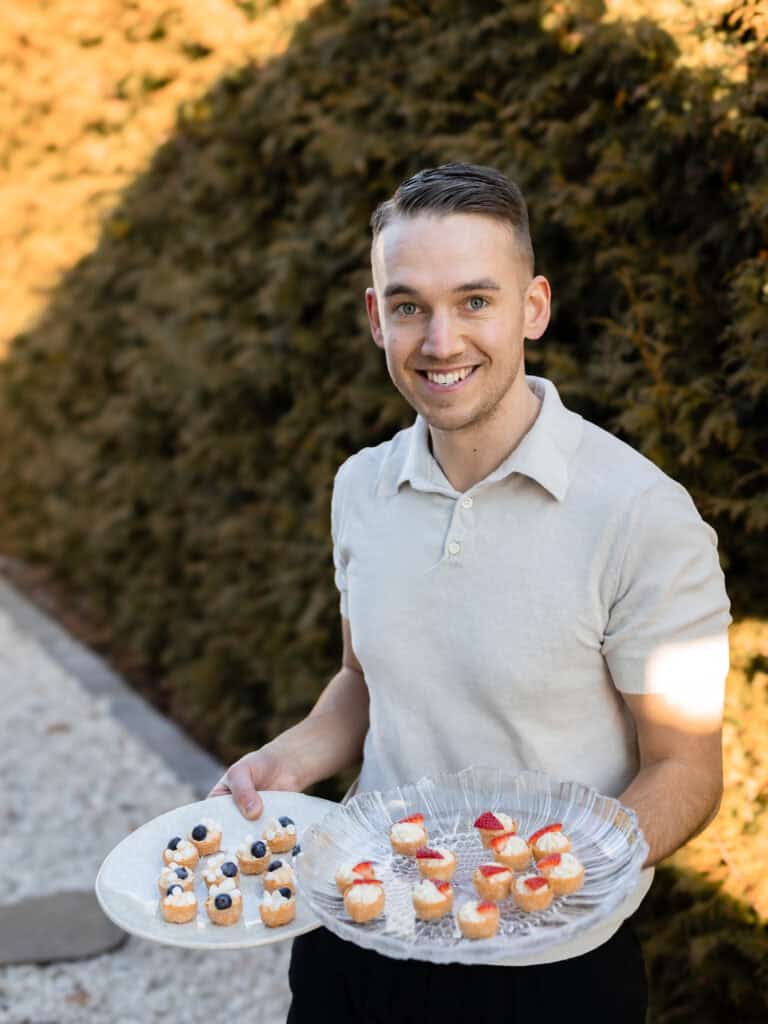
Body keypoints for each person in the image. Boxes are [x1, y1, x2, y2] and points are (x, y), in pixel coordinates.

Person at [209, 163, 731, 1022]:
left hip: (544, 969)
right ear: (377, 318)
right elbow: (361, 683)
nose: (440, 340)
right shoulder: (361, 486)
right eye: (410, 305)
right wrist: (287, 761)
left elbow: (684, 767)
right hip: (354, 935)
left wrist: (561, 873)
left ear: (533, 307)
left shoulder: (642, 515)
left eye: (475, 301)